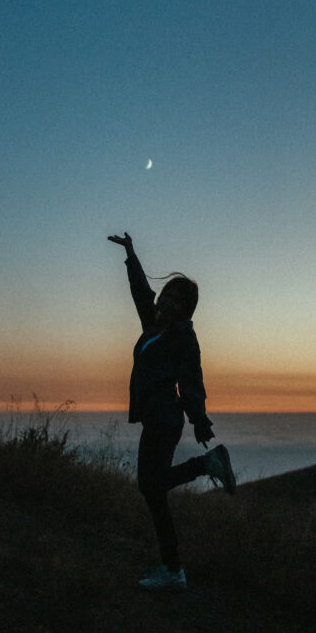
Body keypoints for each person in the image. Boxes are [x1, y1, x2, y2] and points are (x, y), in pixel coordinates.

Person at [108, 231, 236, 592]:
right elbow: (140, 292)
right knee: (152, 491)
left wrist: (198, 419)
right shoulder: (153, 325)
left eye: (177, 299)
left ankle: (207, 465)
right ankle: (173, 569)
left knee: (149, 486)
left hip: (165, 418)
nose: (167, 300)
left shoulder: (182, 337)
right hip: (155, 416)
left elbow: (191, 378)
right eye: (167, 294)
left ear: (187, 308)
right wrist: (131, 255)